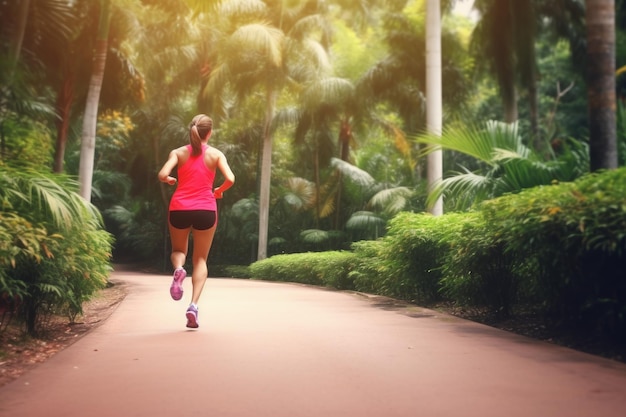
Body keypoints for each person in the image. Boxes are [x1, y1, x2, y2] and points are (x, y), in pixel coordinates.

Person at [158, 114, 235, 329]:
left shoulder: (178, 153)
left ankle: (179, 269)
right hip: (206, 210)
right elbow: (230, 179)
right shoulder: (216, 155)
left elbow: (162, 173)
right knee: (200, 259)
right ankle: (193, 305)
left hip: (179, 208)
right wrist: (218, 191)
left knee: (178, 250)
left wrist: (169, 179)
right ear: (209, 133)